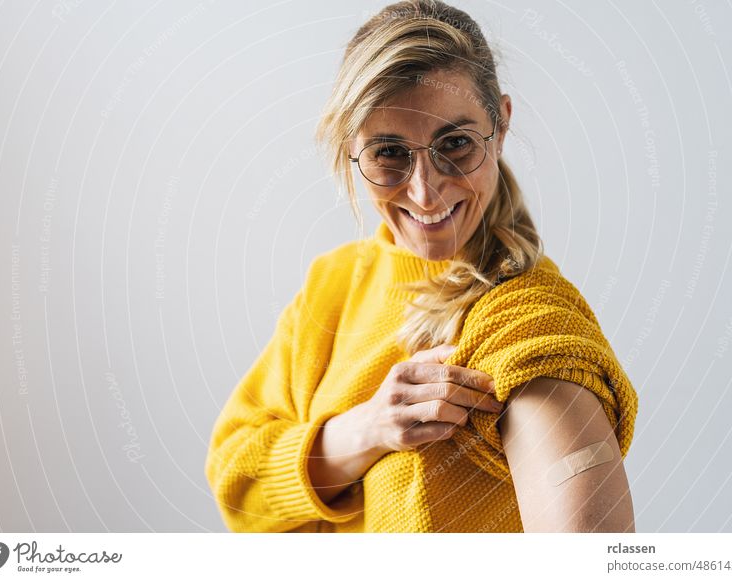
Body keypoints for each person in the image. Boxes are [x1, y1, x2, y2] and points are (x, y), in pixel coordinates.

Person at [205, 0, 638, 533]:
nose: (425, 191)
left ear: (501, 125)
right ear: (351, 149)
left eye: (454, 143)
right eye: (389, 151)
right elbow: (235, 484)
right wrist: (368, 428)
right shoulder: (334, 283)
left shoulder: (524, 322)